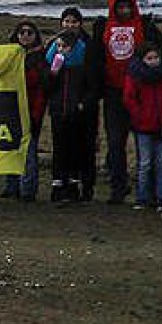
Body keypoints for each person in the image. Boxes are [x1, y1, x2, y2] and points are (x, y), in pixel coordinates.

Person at [90, 0, 162, 204]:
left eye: (127, 6)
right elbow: (95, 59)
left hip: (141, 92)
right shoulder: (102, 28)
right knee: (115, 143)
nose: (124, 10)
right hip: (113, 93)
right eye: (120, 6)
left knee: (146, 142)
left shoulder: (146, 27)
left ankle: (149, 190)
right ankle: (118, 187)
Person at [45, 16, 101, 202]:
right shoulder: (53, 62)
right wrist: (53, 73)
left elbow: (91, 86)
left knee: (75, 149)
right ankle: (57, 185)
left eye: (65, 47)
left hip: (76, 113)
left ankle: (73, 185)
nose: (62, 49)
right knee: (59, 148)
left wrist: (83, 103)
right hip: (58, 111)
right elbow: (46, 87)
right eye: (59, 46)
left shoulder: (82, 64)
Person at [123, 43, 162, 208]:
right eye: (149, 58)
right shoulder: (135, 75)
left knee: (161, 163)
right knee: (145, 163)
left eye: (156, 57)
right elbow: (129, 98)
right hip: (143, 126)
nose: (153, 61)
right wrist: (139, 116)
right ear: (142, 59)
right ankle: (142, 197)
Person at [3, 20, 49, 202]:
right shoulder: (10, 56)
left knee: (28, 152)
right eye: (22, 32)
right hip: (11, 109)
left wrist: (36, 115)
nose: (25, 36)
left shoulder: (40, 58)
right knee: (10, 150)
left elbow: (41, 90)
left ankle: (27, 190)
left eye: (30, 32)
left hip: (31, 110)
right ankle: (11, 187)